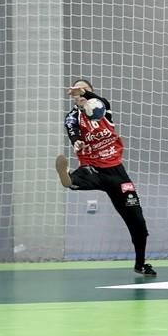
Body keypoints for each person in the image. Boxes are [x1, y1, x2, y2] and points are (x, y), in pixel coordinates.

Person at [55, 79, 156, 276]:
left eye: (84, 90)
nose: (80, 95)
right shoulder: (72, 117)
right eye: (76, 93)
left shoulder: (103, 108)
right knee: (77, 179)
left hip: (117, 173)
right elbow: (72, 130)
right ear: (73, 99)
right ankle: (68, 178)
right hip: (92, 169)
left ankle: (140, 264)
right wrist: (76, 142)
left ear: (91, 93)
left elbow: (100, 103)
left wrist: (85, 94)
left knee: (137, 221)